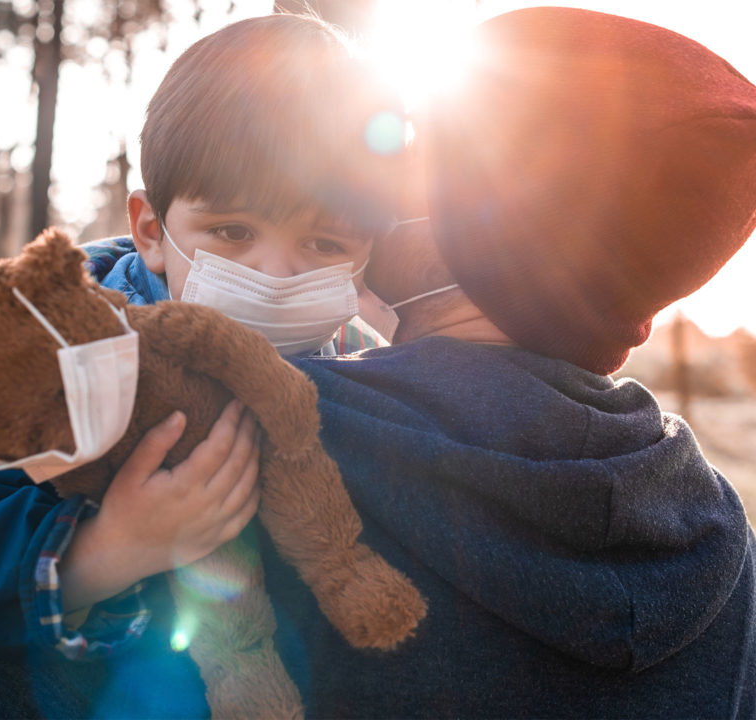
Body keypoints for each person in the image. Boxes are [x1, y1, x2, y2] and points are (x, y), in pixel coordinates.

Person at [0, 13, 403, 719]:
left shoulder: (363, 372)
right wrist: (107, 547)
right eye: (233, 232)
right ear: (150, 230)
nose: (275, 272)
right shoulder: (42, 342)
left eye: (323, 244)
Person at [258, 7, 756, 718]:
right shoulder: (722, 542)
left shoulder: (281, 436)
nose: (379, 174)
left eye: (422, 146)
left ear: (485, 222)